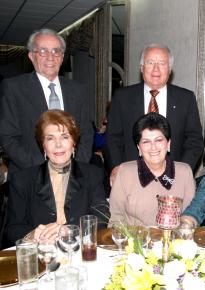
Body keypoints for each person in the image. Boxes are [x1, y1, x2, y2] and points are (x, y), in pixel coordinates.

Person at [104, 44, 203, 184]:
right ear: (142, 68)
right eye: (150, 63)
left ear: (169, 69)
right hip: (131, 177)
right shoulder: (122, 97)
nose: (156, 69)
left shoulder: (186, 98)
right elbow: (112, 137)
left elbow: (195, 140)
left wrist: (182, 171)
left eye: (162, 63)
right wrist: (116, 167)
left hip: (172, 178)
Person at [5, 110, 109, 243]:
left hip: (79, 251)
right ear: (43, 145)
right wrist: (33, 234)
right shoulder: (22, 180)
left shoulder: (92, 174)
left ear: (74, 144)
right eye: (50, 138)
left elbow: (101, 218)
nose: (58, 144)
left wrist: (71, 231)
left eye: (65, 137)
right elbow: (12, 229)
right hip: (41, 254)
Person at [0, 28, 92, 176]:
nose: (51, 57)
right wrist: (43, 168)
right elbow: (8, 137)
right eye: (43, 51)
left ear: (62, 57)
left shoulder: (78, 90)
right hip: (29, 175)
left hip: (73, 175)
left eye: (56, 51)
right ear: (31, 56)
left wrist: (76, 165)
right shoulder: (13, 88)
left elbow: (86, 133)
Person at [108, 113, 195, 226]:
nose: (153, 147)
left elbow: (189, 217)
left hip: (173, 241)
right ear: (139, 148)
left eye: (158, 140)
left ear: (168, 144)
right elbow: (115, 220)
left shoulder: (185, 173)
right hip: (135, 241)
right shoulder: (125, 172)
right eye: (146, 142)